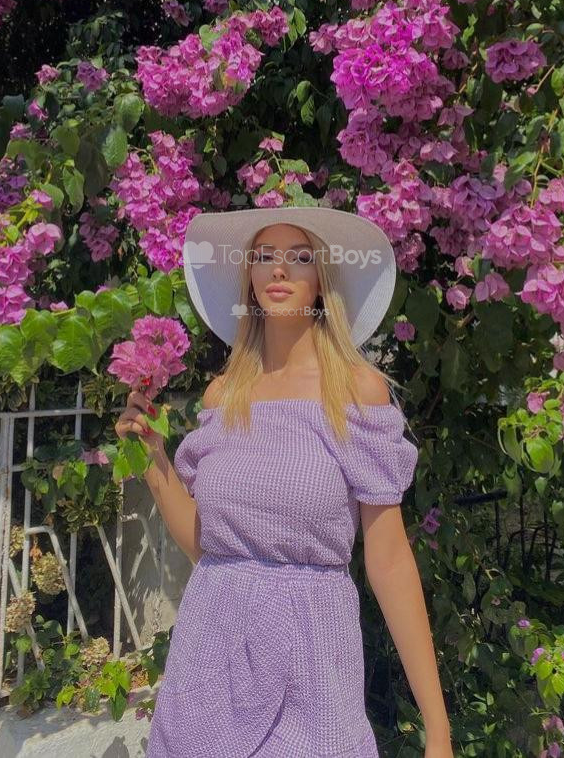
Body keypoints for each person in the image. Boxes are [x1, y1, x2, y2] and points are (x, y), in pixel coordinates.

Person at [115, 205, 454, 757]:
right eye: (265, 256)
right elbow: (209, 546)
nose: (279, 269)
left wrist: (437, 728)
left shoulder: (355, 393)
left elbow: (389, 561)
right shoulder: (223, 395)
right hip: (209, 660)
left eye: (299, 257)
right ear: (249, 276)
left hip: (313, 662)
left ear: (321, 279)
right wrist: (154, 457)